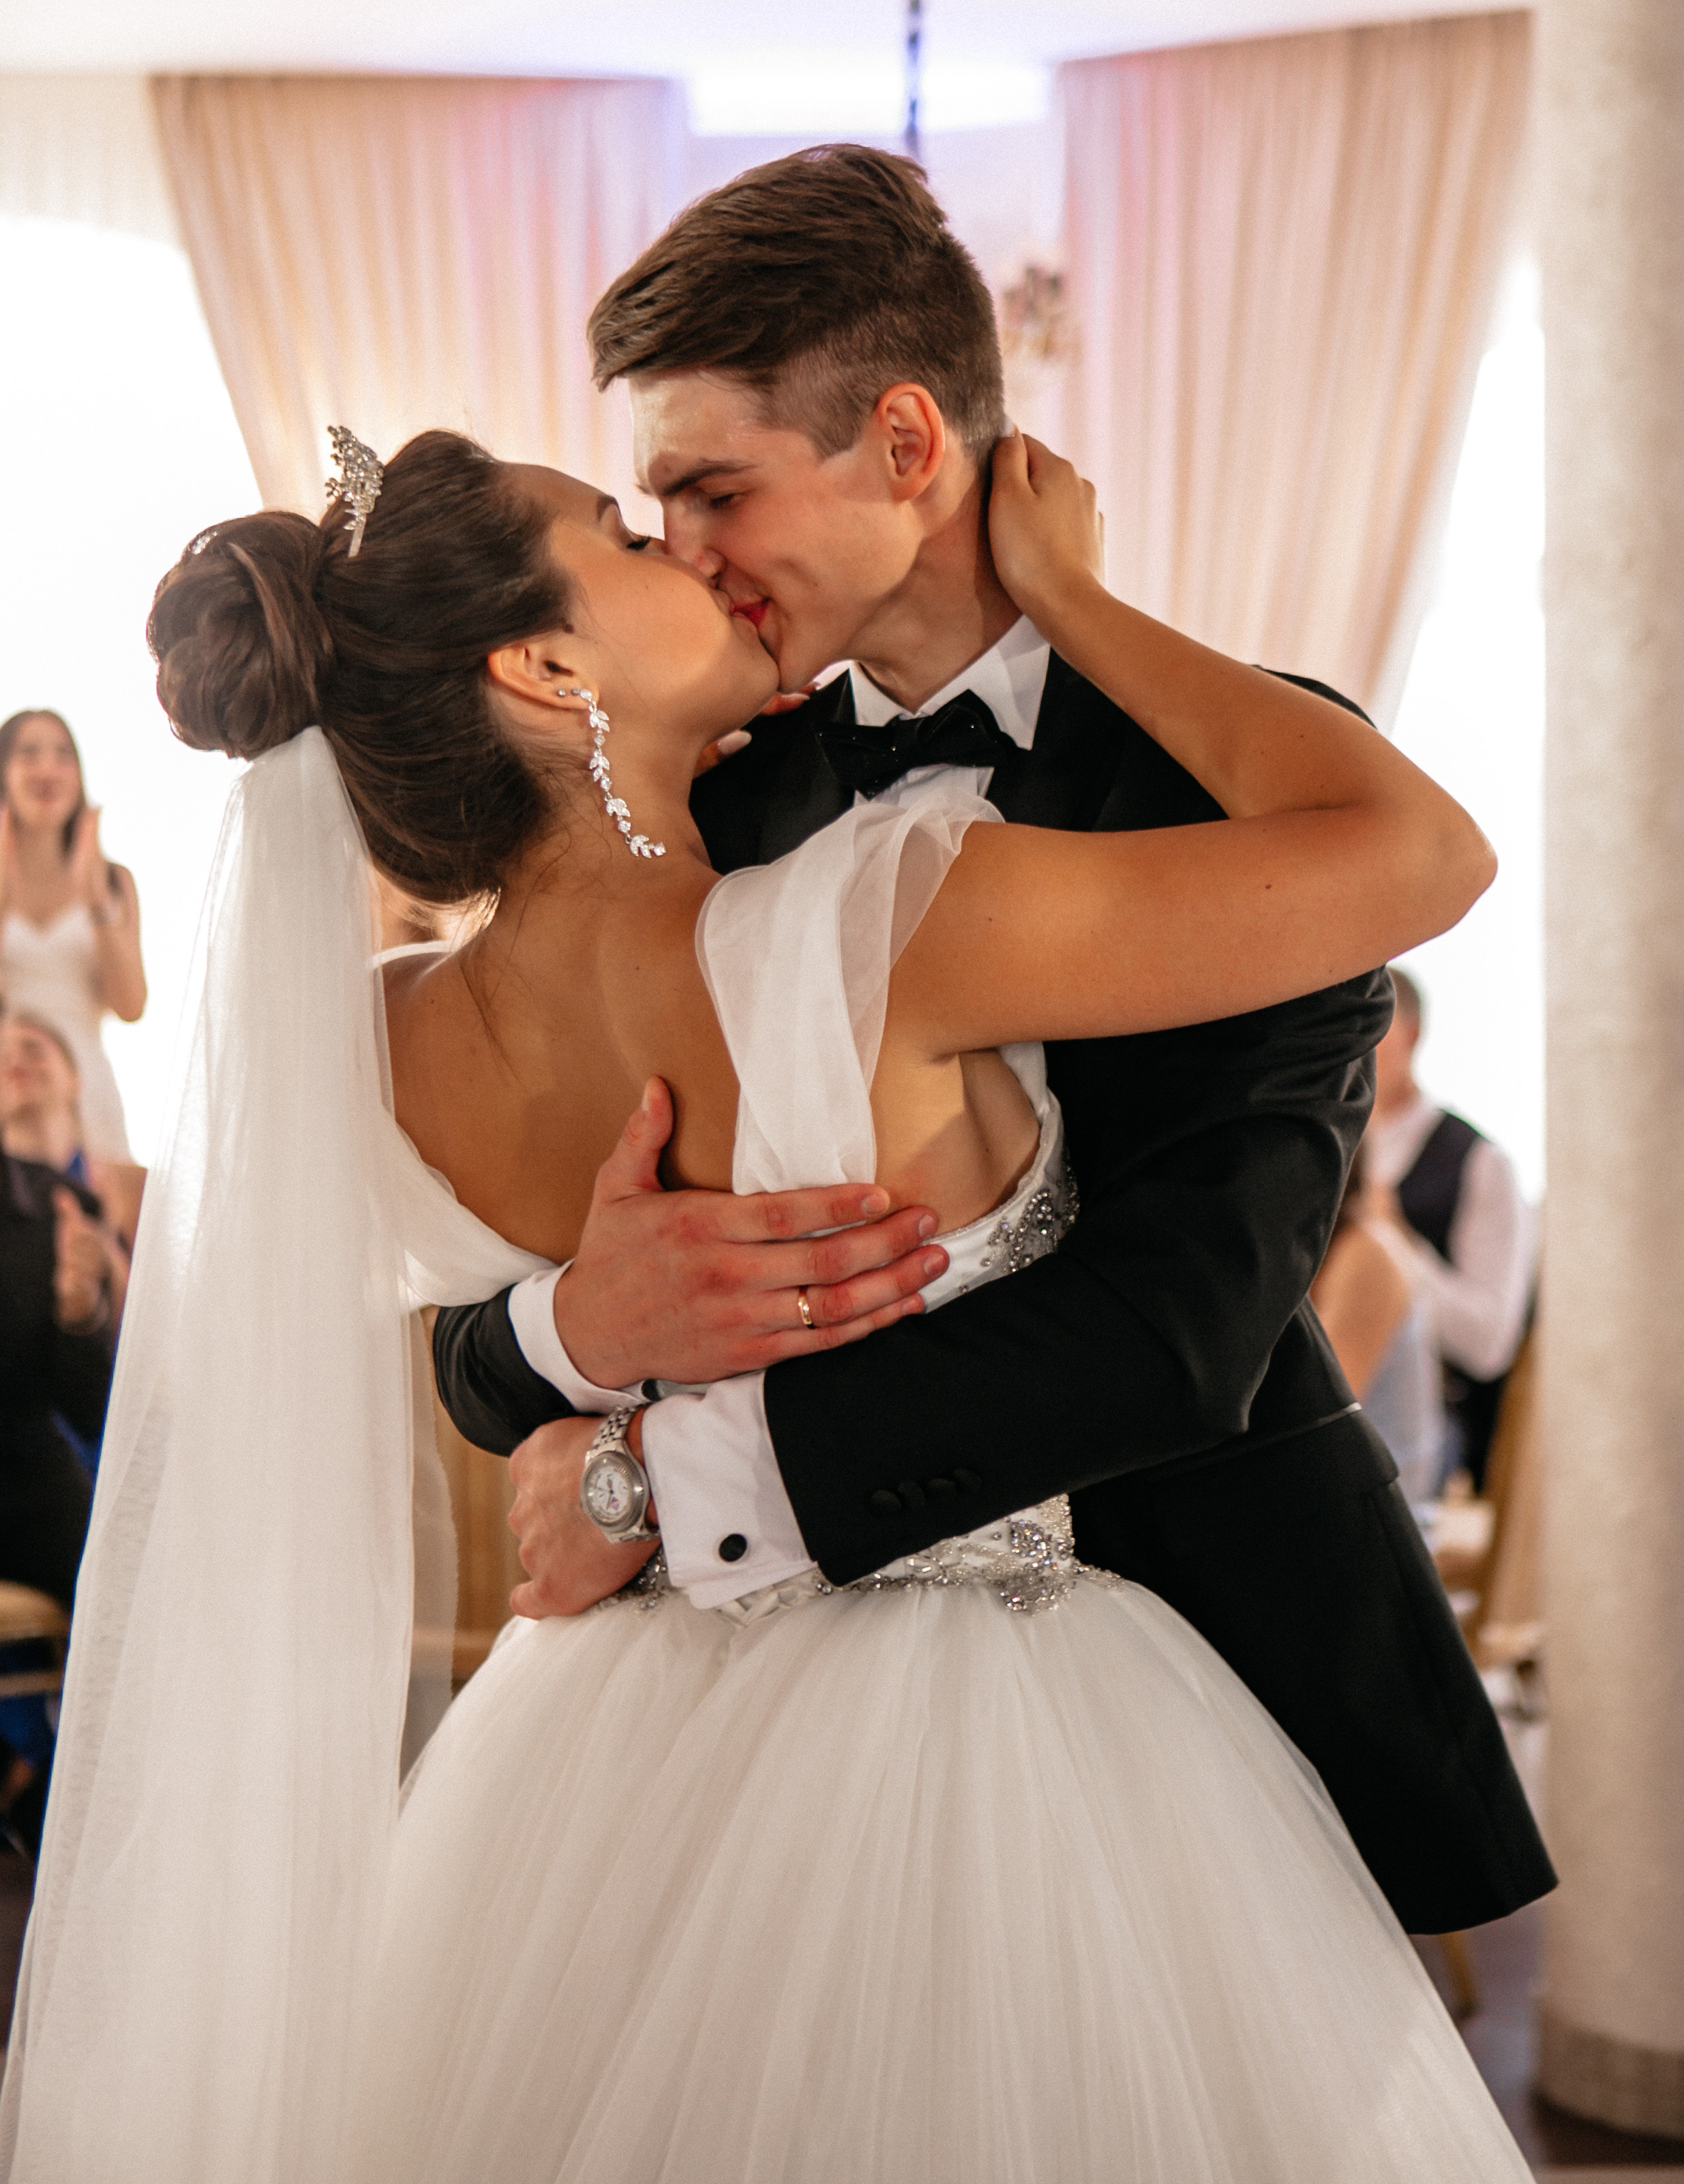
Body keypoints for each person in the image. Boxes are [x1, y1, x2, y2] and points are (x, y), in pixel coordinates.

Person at [1, 406, 1533, 2182]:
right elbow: (1414, 857)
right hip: (1017, 1738)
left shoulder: (381, 1038)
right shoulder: (886, 910)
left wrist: (569, 1347)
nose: (692, 550)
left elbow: (313, 1356)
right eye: (625, 532)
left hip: (587, 1757)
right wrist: (1073, 593)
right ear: (547, 656)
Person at [434, 146, 1550, 1943]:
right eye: (651, 519)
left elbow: (1187, 1315)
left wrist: (662, 1483)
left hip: (1210, 1672)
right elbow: (493, 1294)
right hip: (769, 1746)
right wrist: (566, 1332)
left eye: (709, 490)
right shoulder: (715, 810)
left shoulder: (1232, 787)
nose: (685, 560)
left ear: (901, 446)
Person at [0, 1097, 119, 1860]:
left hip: (24, 1471)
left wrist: (81, 1312)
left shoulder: (51, 1201)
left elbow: (88, 1403)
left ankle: (65, 1810)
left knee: (130, 1580)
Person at [1369, 966, 1535, 1487]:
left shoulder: (1479, 1162)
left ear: (1413, 1032)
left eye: (1376, 1022)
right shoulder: (1306, 1152)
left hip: (1428, 1423)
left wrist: (1393, 1239)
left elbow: (1489, 1344)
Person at [0, 712, 146, 1166]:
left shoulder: (114, 880)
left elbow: (130, 1006)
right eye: (29, 752)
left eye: (63, 754)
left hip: (87, 1085)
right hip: (11, 1082)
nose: (48, 767)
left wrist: (97, 899)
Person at [1310, 1140, 1444, 1508]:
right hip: (1338, 1502)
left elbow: (1314, 1420)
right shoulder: (1331, 1251)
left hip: (1376, 1526)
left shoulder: (1368, 1255)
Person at [0, 1011, 143, 1272]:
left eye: (33, 1050)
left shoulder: (137, 1188)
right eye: (1, 1061)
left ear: (75, 1078)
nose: (15, 1064)